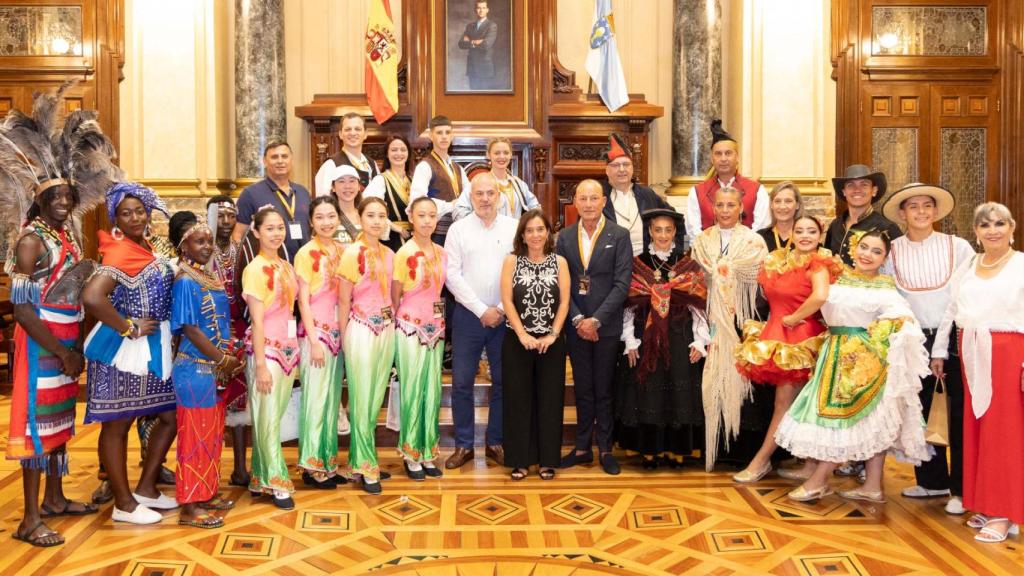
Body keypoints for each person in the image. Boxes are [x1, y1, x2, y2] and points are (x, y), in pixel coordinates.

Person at [1, 87, 114, 546]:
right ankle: (30, 518)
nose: (65, 201)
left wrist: (76, 348)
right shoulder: (31, 240)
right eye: (57, 196)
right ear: (40, 200)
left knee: (60, 423)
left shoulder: (65, 235)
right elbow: (23, 308)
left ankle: (54, 498)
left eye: (69, 195)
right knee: (35, 427)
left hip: (66, 341)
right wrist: (60, 352)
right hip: (41, 342)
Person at [775, 230, 932, 503]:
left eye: (876, 251)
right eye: (864, 247)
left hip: (862, 361)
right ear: (853, 249)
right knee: (866, 421)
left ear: (884, 259)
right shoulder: (837, 277)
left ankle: (818, 480)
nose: (867, 255)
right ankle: (872, 486)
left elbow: (904, 318)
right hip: (833, 354)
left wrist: (874, 340)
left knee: (856, 420)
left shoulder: (886, 287)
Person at [82, 183, 178, 525]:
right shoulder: (121, 251)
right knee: (117, 424)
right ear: (116, 219)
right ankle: (124, 504)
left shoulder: (145, 245)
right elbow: (93, 297)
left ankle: (147, 488)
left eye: (139, 210)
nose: (135, 217)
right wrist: (128, 327)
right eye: (126, 213)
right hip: (123, 351)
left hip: (152, 349)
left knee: (169, 416)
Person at [933, 202, 1024, 543]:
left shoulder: (1021, 266)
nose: (993, 230)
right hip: (970, 350)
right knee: (976, 429)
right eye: (985, 225)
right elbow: (952, 309)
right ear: (976, 232)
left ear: (1012, 227)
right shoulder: (970, 264)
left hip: (1009, 354)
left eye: (1000, 223)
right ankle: (984, 502)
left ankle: (1006, 512)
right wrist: (940, 350)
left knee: (1006, 432)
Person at [880, 183, 974, 514]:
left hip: (956, 338)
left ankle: (963, 488)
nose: (921, 212)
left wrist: (945, 343)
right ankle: (932, 480)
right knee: (921, 411)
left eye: (927, 206)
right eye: (913, 207)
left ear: (935, 212)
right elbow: (887, 296)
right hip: (913, 340)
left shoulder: (958, 246)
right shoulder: (891, 251)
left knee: (960, 413)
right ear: (902, 214)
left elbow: (969, 293)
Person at [733, 216, 842, 482]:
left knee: (784, 404)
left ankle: (760, 462)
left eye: (812, 231)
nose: (805, 236)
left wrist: (794, 317)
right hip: (776, 334)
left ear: (820, 235)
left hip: (801, 339)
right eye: (800, 230)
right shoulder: (778, 260)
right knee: (798, 405)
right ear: (791, 233)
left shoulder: (819, 264)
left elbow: (820, 296)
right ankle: (809, 463)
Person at [615, 209, 708, 470]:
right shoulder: (638, 263)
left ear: (675, 232)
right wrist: (630, 340)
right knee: (648, 394)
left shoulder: (688, 263)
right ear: (650, 232)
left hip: (680, 338)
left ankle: (676, 453)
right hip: (646, 339)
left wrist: (700, 341)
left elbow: (699, 306)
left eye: (668, 230)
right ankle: (650, 453)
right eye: (658, 230)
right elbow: (628, 307)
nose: (663, 235)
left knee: (679, 398)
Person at [168, 212, 242, 529]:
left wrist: (227, 358)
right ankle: (189, 506)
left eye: (209, 240)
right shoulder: (185, 280)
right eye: (199, 241)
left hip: (212, 369)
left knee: (211, 436)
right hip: (194, 369)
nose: (207, 246)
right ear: (184, 247)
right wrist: (222, 360)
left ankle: (206, 493)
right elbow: (190, 328)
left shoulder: (207, 277)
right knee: (194, 438)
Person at [556, 179, 633, 475]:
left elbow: (622, 283)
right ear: (575, 201)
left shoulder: (619, 235)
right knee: (583, 387)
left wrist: (596, 319)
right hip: (575, 325)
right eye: (583, 198)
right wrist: (578, 319)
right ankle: (581, 448)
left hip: (606, 326)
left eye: (594, 198)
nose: (588, 204)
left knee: (604, 388)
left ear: (603, 201)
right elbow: (562, 284)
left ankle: (606, 449)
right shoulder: (563, 238)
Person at [691, 186, 769, 471]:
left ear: (741, 208)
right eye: (720, 205)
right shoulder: (701, 241)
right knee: (712, 381)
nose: (724, 211)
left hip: (742, 321)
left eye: (730, 205)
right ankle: (714, 446)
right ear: (713, 208)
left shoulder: (755, 242)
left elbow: (762, 284)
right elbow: (694, 282)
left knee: (743, 382)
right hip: (709, 321)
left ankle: (741, 450)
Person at [443, 172, 517, 469]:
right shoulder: (458, 230)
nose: (485, 199)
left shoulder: (514, 228)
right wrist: (480, 309)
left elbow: (518, 270)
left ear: (499, 195)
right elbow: (451, 275)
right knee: (461, 382)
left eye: (490, 193)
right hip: (468, 317)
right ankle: (463, 445)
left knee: (503, 381)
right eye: (479, 194)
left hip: (505, 316)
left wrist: (499, 307)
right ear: (470, 197)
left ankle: (495, 441)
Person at [501, 209, 570, 481]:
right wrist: (522, 334)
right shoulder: (512, 261)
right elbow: (507, 300)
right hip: (518, 341)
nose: (535, 235)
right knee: (518, 401)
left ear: (548, 233)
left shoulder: (560, 262)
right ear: (522, 234)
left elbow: (564, 301)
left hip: (551, 343)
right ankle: (519, 460)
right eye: (529, 230)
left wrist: (552, 335)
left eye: (540, 229)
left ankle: (547, 461)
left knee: (550, 401)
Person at [241, 206, 299, 510]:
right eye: (270, 228)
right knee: (267, 418)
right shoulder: (255, 269)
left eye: (280, 228)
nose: (276, 233)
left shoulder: (286, 266)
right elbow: (258, 321)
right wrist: (261, 364)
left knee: (272, 417)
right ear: (256, 232)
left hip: (289, 352)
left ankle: (261, 477)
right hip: (268, 353)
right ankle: (277, 481)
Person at [339, 197, 397, 494]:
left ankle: (361, 459)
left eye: (381, 216)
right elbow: (344, 300)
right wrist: (341, 336)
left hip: (386, 330)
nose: (376, 221)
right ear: (360, 218)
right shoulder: (352, 252)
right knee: (361, 397)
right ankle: (367, 465)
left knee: (374, 398)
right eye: (370, 215)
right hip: (360, 329)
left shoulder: (389, 254)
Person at [294, 196, 348, 489]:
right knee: (315, 399)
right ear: (311, 222)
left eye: (331, 216)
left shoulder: (343, 251)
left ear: (338, 218)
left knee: (331, 403)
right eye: (320, 217)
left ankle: (328, 462)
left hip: (338, 335)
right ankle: (312, 465)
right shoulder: (306, 253)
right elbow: (302, 301)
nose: (326, 222)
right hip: (317, 335)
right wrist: (313, 339)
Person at [393, 196, 447, 479]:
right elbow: (395, 295)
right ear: (411, 218)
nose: (427, 221)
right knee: (413, 390)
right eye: (422, 215)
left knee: (432, 392)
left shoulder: (441, 252)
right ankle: (410, 452)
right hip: (409, 328)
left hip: (436, 330)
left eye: (432, 216)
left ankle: (428, 453)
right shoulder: (404, 253)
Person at [206, 195, 251, 489]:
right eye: (220, 216)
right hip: (208, 335)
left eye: (230, 216)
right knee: (211, 404)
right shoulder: (201, 250)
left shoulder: (241, 250)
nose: (225, 222)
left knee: (240, 401)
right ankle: (209, 470)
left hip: (239, 329)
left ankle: (240, 468)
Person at [685, 120, 770, 249]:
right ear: (712, 158)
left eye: (728, 153)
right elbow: (694, 233)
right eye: (718, 154)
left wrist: (737, 253)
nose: (723, 159)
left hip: (746, 257)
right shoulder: (697, 192)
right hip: (708, 259)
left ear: (737, 157)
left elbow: (760, 230)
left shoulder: (757, 190)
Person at [602, 133, 685, 255]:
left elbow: (676, 219)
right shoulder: (597, 197)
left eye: (626, 164)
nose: (621, 169)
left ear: (632, 168)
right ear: (607, 170)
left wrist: (674, 253)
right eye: (615, 165)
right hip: (613, 262)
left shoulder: (647, 194)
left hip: (647, 262)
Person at [233, 141, 311, 262]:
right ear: (264, 161)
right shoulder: (250, 194)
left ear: (291, 160)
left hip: (305, 266)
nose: (280, 161)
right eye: (274, 157)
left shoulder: (303, 192)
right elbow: (238, 236)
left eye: (284, 156)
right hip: (268, 269)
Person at [825, 164, 903, 267]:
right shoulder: (835, 225)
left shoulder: (887, 228)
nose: (857, 189)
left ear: (874, 191)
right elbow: (826, 260)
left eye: (864, 185)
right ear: (844, 192)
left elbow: (900, 267)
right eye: (850, 185)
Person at [410, 115, 471, 245]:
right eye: (439, 133)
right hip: (436, 233)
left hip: (460, 232)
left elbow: (470, 195)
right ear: (431, 136)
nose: (444, 136)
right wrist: (451, 205)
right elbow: (417, 200)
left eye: (447, 132)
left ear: (452, 136)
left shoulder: (458, 168)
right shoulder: (425, 166)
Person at [454, 137, 539, 220]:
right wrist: (479, 224)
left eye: (506, 153)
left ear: (511, 155)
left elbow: (535, 207)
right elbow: (459, 211)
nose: (502, 157)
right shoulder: (479, 182)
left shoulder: (518, 184)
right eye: (497, 153)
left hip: (516, 233)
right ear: (488, 155)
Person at [364, 134, 414, 251]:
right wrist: (396, 227)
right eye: (394, 150)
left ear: (408, 153)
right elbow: (367, 208)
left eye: (403, 150)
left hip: (412, 239)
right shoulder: (380, 180)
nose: (399, 153)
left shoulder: (413, 181)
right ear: (387, 154)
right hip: (392, 241)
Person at [313, 112, 381, 196]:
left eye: (357, 129)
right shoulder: (330, 165)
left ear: (365, 134)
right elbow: (323, 203)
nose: (352, 133)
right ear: (340, 134)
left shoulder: (372, 164)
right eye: (348, 129)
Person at [458, 0, 498, 90]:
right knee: (472, 98)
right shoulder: (470, 26)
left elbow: (486, 45)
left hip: (484, 68)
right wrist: (475, 42)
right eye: (479, 8)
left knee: (484, 99)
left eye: (483, 8)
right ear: (475, 10)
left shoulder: (492, 26)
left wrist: (470, 41)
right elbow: (461, 44)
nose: (481, 10)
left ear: (487, 10)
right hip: (472, 68)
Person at [757, 181, 803, 252]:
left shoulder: (806, 237)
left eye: (788, 201)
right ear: (771, 205)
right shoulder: (760, 237)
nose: (782, 206)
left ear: (797, 205)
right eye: (777, 201)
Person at [328, 164, 365, 244]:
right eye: (341, 181)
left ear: (359, 186)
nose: (347, 186)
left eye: (352, 181)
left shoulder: (366, 215)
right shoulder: (327, 216)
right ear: (333, 187)